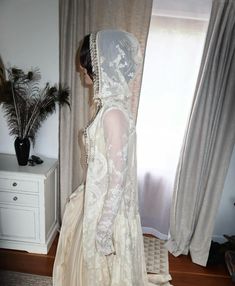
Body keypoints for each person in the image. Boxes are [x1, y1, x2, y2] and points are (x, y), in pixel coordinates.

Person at [53, 29, 167, 286]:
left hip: (107, 209)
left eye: (86, 67)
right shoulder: (108, 107)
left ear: (101, 66)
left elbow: (117, 180)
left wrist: (103, 230)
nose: (83, 72)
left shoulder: (113, 114)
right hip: (96, 197)